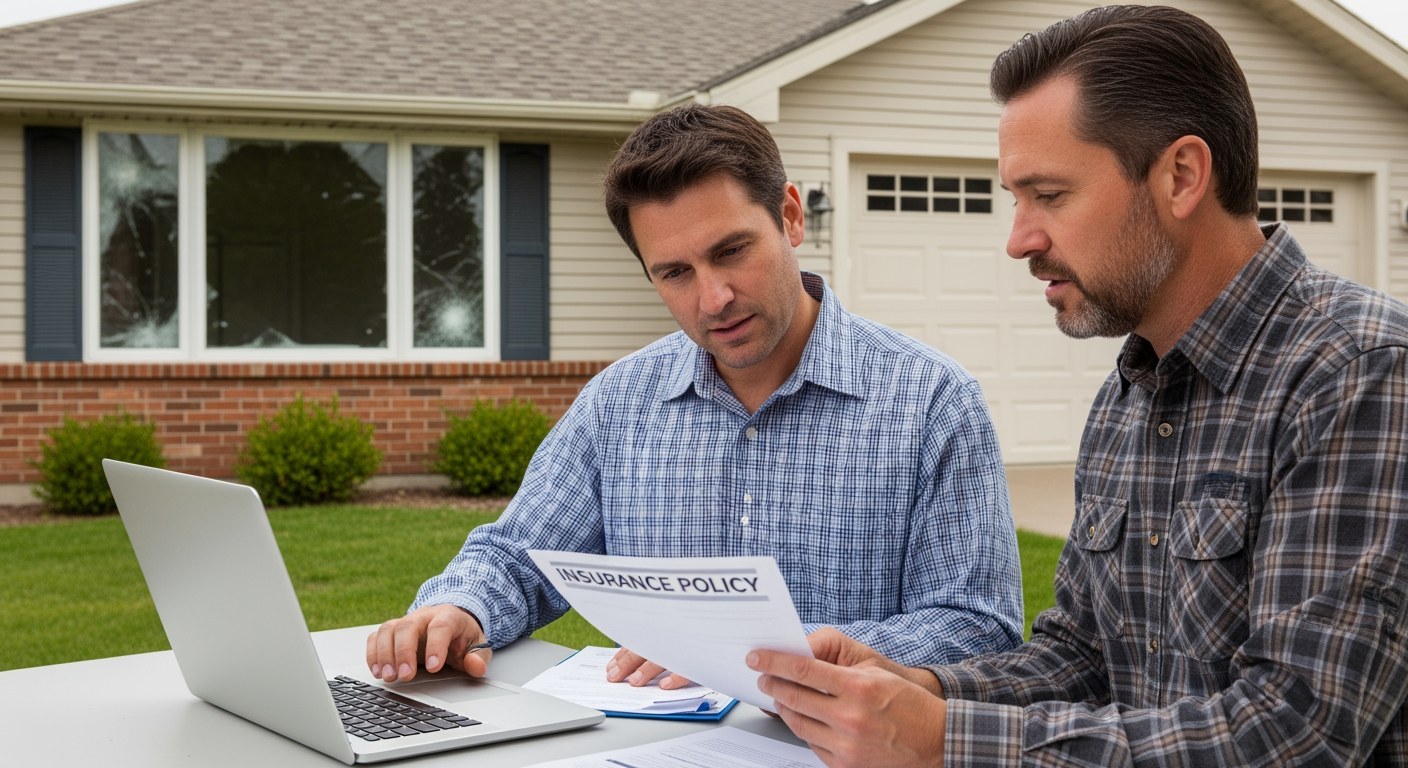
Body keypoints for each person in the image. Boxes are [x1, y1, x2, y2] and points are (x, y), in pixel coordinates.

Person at [747, 5, 1408, 766]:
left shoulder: (1359, 374)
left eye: (1050, 196)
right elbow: (1081, 660)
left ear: (1182, 176)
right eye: (1014, 199)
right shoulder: (1129, 395)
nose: (1019, 238)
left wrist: (941, 738)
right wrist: (917, 687)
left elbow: (1297, 731)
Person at [366, 103, 1024, 690]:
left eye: (732, 250)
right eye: (675, 273)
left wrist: (788, 657)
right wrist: (457, 609)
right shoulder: (618, 404)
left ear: (790, 216)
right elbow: (516, 559)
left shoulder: (933, 400)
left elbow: (979, 630)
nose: (713, 299)